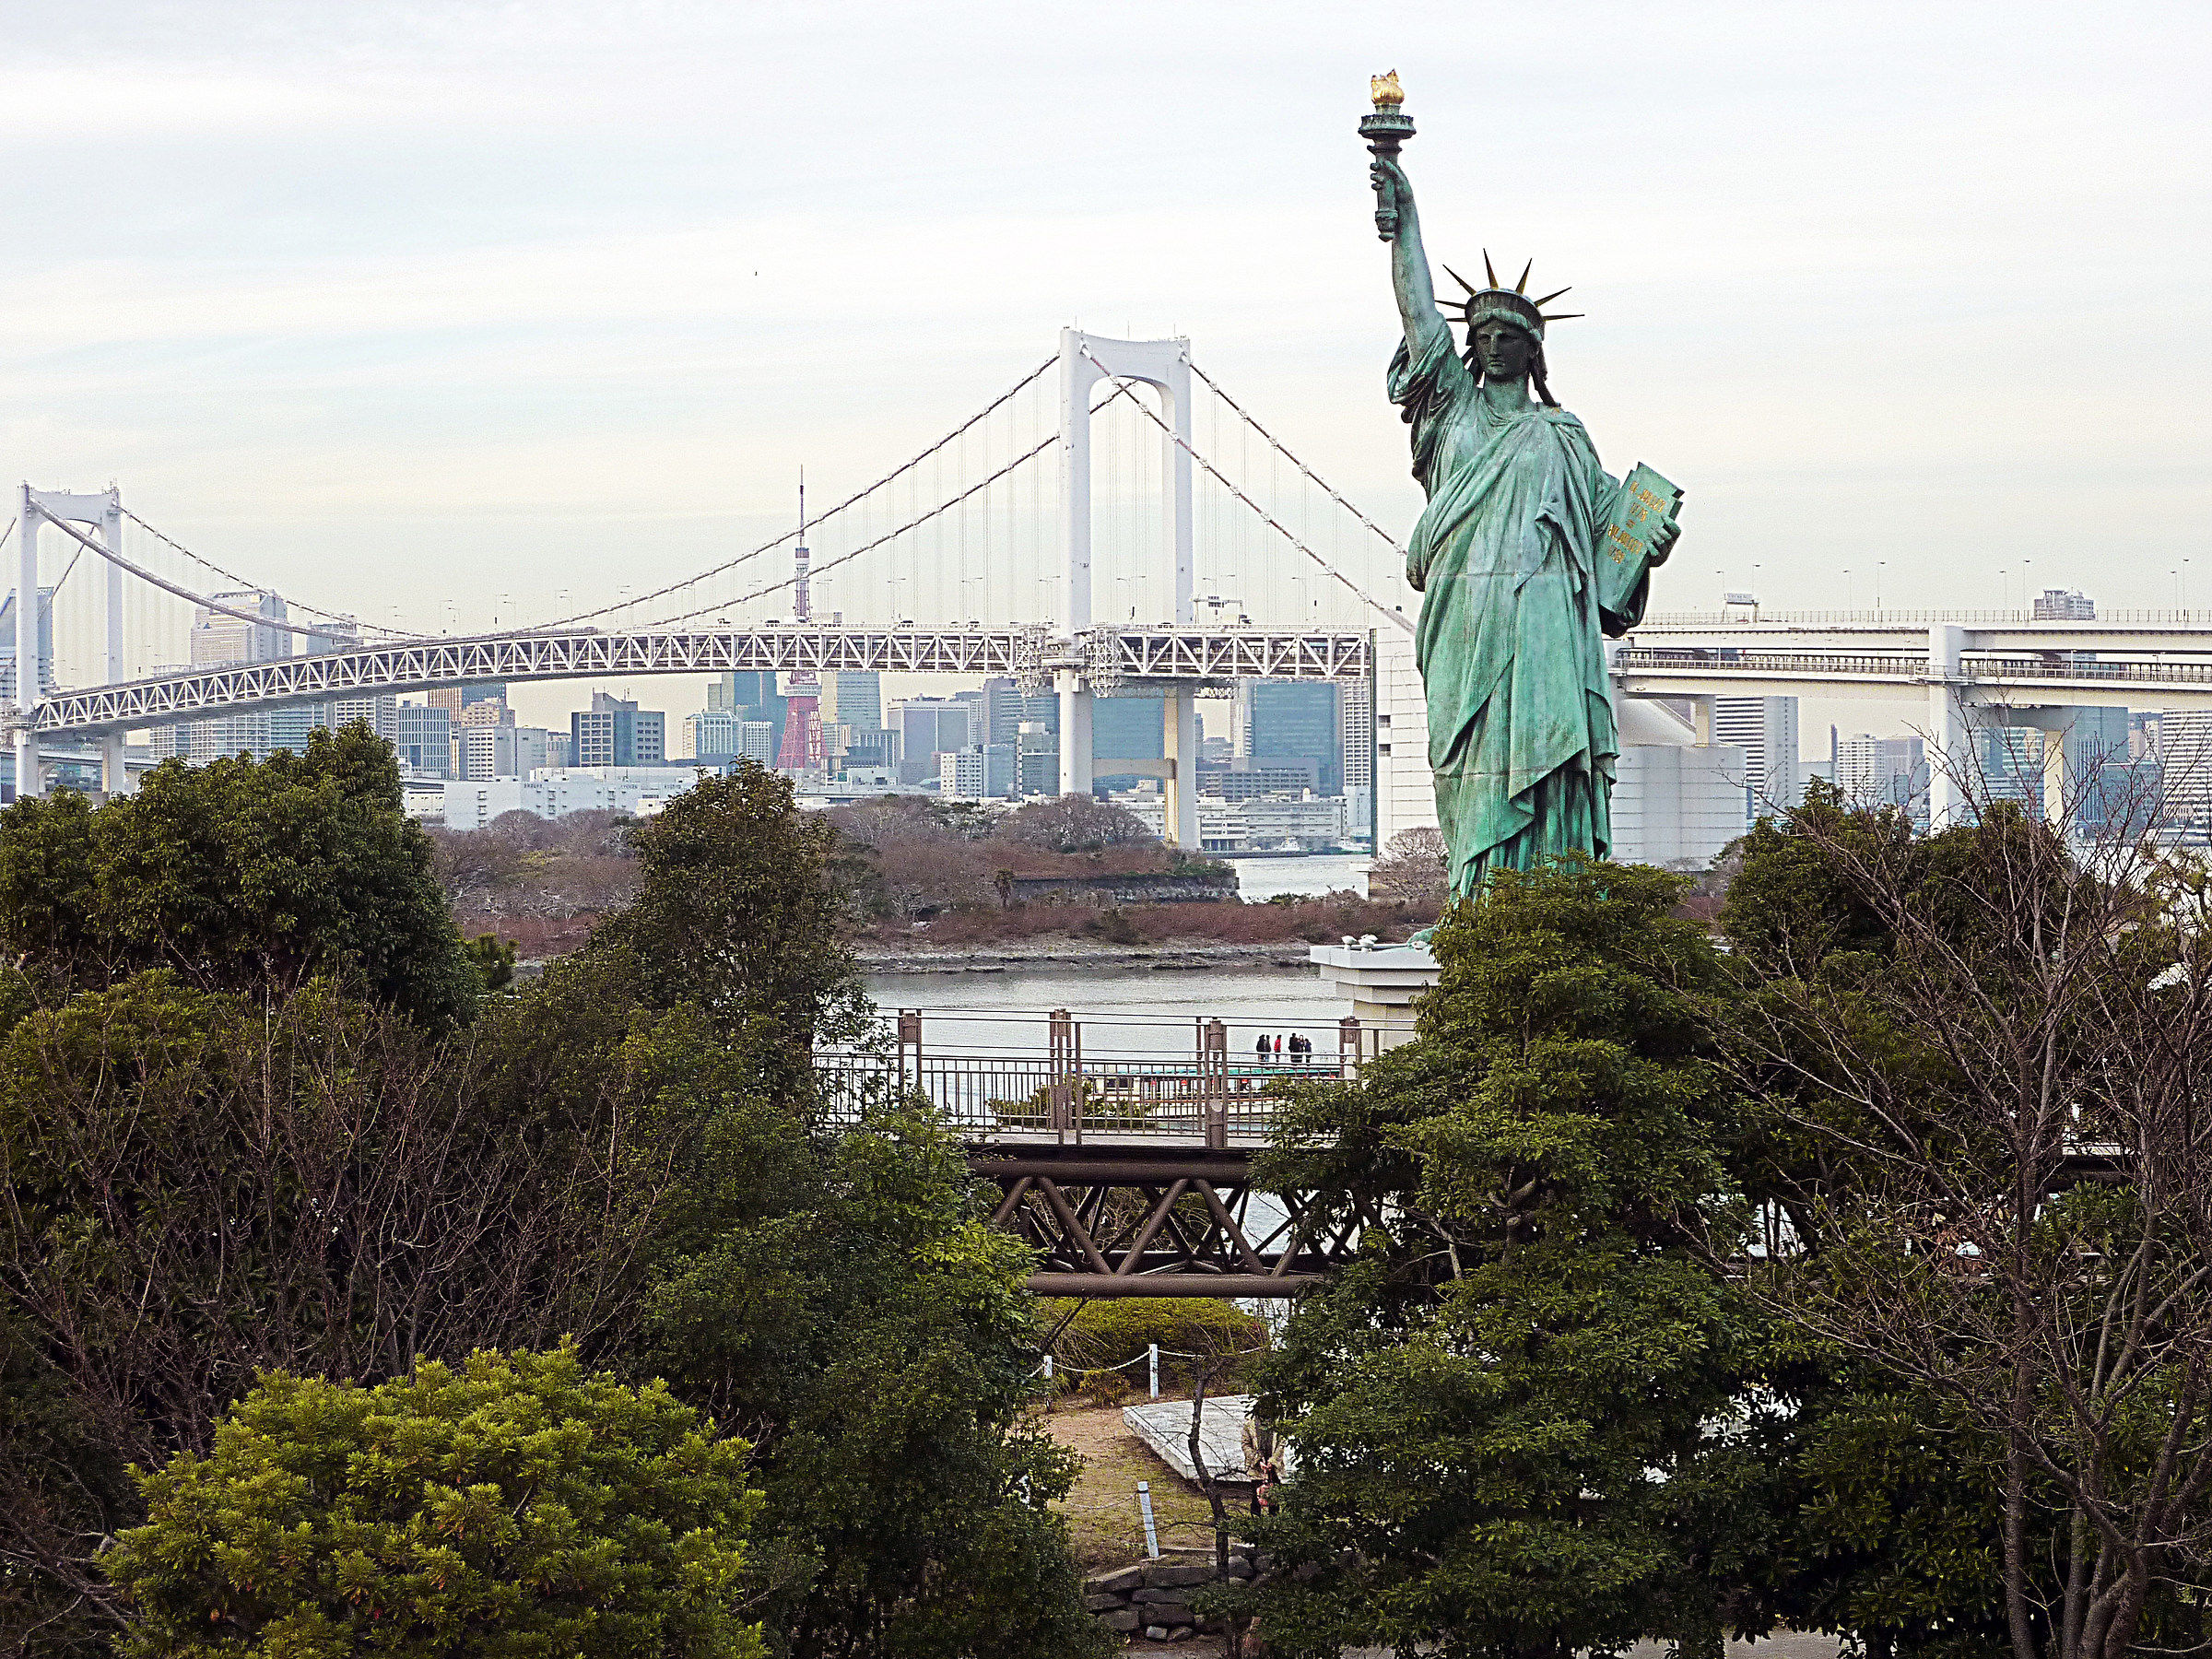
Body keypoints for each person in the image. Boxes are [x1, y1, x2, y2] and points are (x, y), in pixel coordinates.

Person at [1365, 151, 1680, 900]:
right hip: (1465, 617)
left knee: (1551, 757)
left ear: (1533, 350)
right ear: (1466, 347)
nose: (1494, 343)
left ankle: (1556, 898)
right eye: (1482, 332)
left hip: (1547, 622)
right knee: (1470, 761)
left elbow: (1613, 538)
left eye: (1510, 334)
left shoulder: (1563, 434)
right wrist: (1401, 221)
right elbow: (1417, 317)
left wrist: (1650, 548)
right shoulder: (1452, 412)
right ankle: (1476, 902)